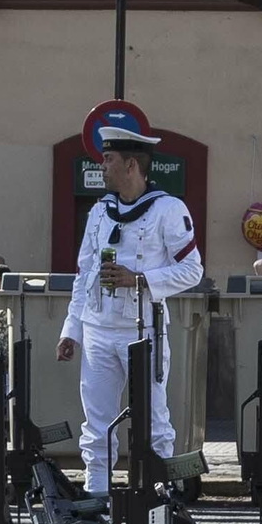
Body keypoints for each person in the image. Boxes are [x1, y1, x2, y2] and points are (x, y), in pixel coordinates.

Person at [56, 127, 203, 495]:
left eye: (109, 159)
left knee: (153, 419)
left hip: (144, 331)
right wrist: (70, 329)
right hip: (97, 329)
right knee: (98, 422)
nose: (102, 165)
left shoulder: (168, 209)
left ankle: (158, 496)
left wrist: (139, 279)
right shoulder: (99, 212)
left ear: (131, 164)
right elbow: (83, 273)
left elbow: (192, 271)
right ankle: (97, 494)